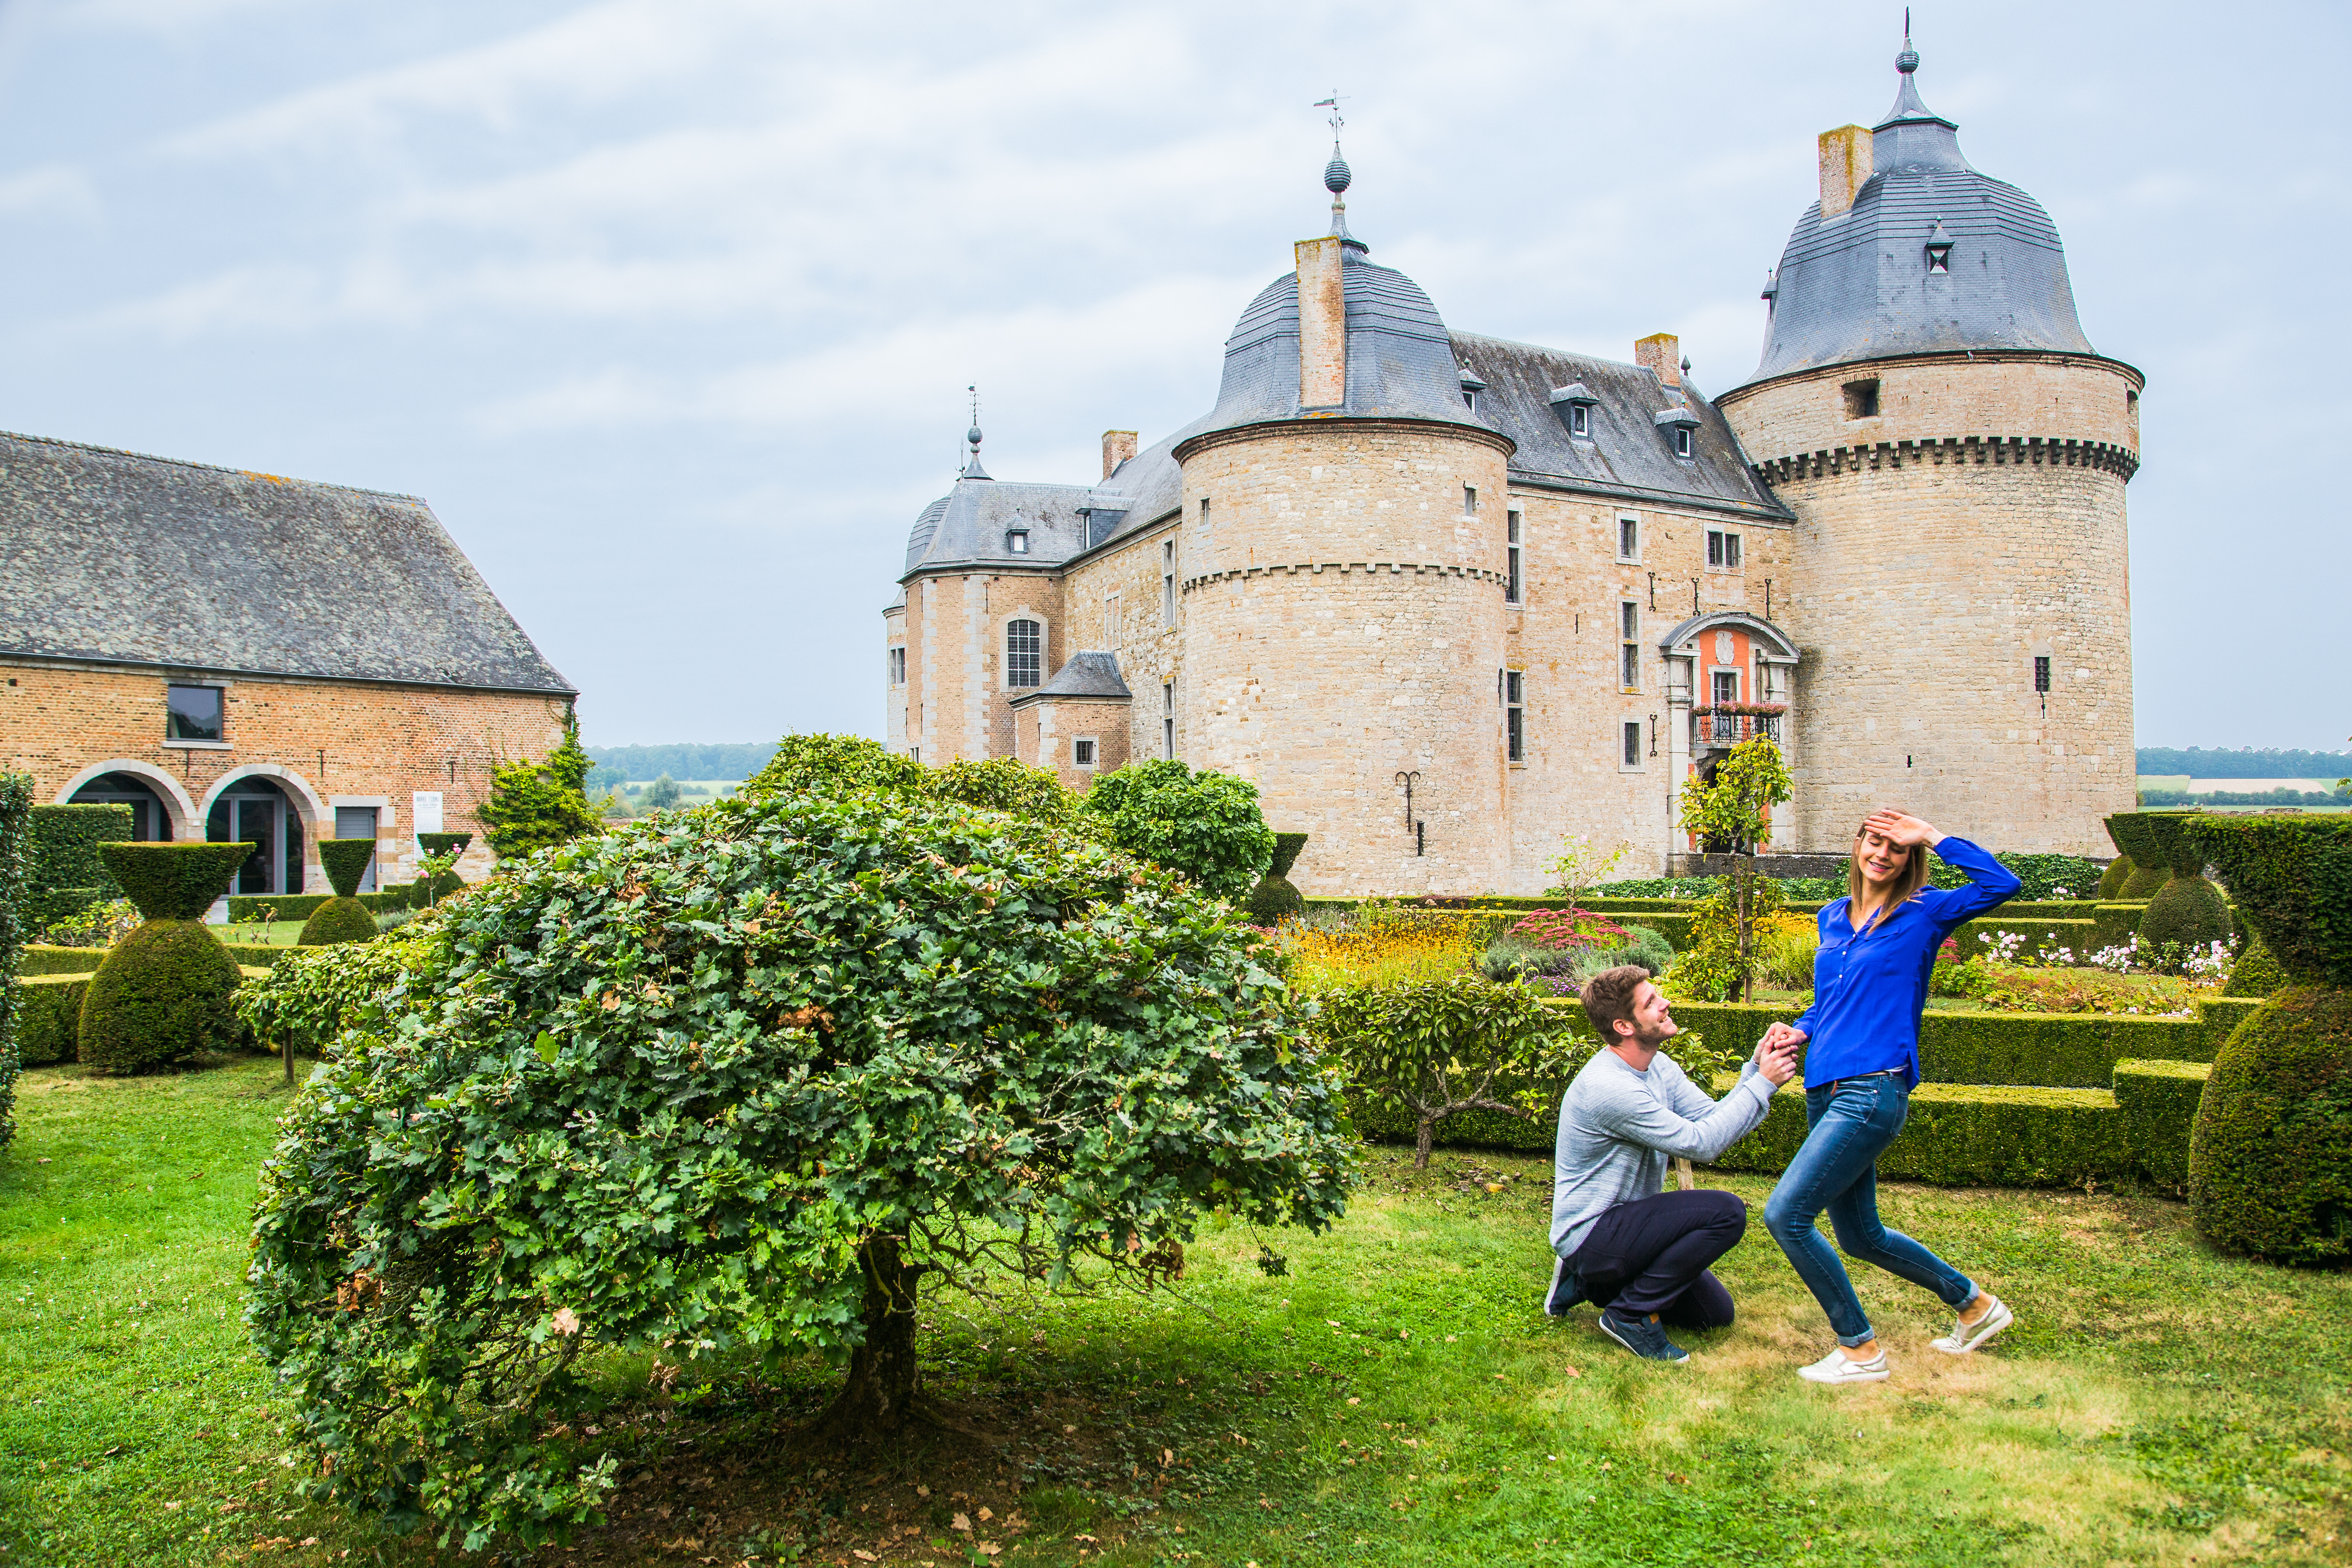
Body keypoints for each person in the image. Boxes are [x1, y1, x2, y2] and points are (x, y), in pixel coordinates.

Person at [1757, 808, 2023, 1385]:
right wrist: (1798, 1028)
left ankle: (1860, 1351)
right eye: (1874, 842)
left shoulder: (1926, 912)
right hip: (1823, 1088)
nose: (1882, 853)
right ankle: (1976, 1306)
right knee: (1860, 1236)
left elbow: (2003, 884)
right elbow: (1830, 1001)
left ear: (1909, 859)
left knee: (1787, 1216)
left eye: (1896, 847)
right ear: (1857, 847)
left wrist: (1930, 834)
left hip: (1873, 1087)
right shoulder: (1832, 917)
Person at [1546, 964, 1800, 1363]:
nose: (1665, 1003)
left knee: (1713, 1316)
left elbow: (1711, 1118)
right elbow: (1701, 1145)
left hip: (1625, 1225)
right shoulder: (1611, 1088)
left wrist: (1755, 1070)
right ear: (1624, 1026)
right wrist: (1763, 1084)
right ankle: (1627, 1314)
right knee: (1726, 1213)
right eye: (1651, 1002)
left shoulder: (1657, 1065)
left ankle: (1588, 1285)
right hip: (1594, 1231)